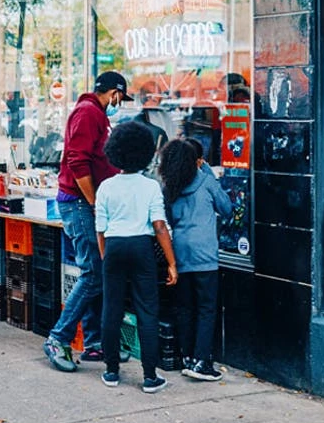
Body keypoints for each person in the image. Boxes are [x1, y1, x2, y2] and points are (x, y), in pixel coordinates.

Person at [43, 71, 132, 372]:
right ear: (114, 93)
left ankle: (95, 342)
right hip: (79, 203)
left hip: (86, 203)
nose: (119, 103)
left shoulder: (95, 114)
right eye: (120, 98)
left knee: (99, 272)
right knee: (93, 273)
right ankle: (58, 338)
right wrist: (94, 203)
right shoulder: (88, 113)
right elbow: (77, 161)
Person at [94, 121, 177, 393]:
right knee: (147, 311)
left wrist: (106, 256)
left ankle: (111, 371)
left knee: (112, 309)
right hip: (142, 247)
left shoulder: (106, 187)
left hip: (114, 246)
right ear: (145, 153)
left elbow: (100, 229)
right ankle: (150, 376)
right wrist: (171, 263)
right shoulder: (150, 186)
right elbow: (159, 226)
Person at [157, 139, 233, 382]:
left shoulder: (170, 187)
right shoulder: (206, 181)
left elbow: (168, 219)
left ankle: (188, 357)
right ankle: (202, 361)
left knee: (185, 307)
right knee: (206, 308)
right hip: (205, 253)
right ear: (196, 161)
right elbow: (227, 208)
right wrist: (207, 170)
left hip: (180, 251)